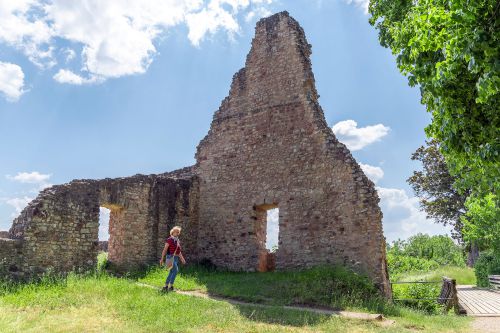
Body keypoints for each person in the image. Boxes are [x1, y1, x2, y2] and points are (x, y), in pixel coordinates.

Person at [159, 226, 186, 292]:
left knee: (171, 272)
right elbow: (165, 250)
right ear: (172, 232)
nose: (177, 233)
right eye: (176, 231)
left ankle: (165, 286)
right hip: (170, 257)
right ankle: (170, 286)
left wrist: (182, 259)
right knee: (175, 270)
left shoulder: (177, 240)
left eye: (178, 232)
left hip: (176, 258)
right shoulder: (169, 240)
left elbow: (178, 251)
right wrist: (162, 259)